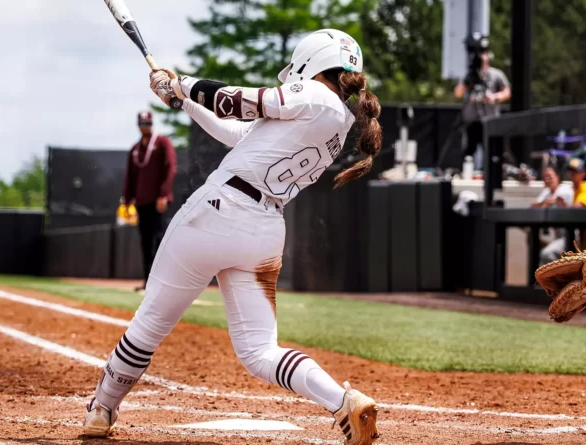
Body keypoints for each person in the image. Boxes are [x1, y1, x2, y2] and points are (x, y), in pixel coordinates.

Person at [84, 29, 382, 445]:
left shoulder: (313, 97)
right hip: (263, 233)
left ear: (311, 61)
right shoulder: (338, 122)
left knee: (151, 322)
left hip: (217, 212)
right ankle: (343, 401)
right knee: (261, 352)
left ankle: (102, 408)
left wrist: (182, 82)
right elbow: (240, 134)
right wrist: (181, 99)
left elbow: (242, 100)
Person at [122, 111, 177, 293]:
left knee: (159, 241)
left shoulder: (162, 143)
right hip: (142, 202)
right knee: (145, 243)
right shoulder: (135, 149)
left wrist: (164, 194)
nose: (144, 125)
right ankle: (148, 282)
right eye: (142, 123)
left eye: (147, 123)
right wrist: (127, 200)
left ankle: (163, 282)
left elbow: (170, 168)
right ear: (138, 125)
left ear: (152, 124)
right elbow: (130, 177)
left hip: (158, 202)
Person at [453, 50, 511, 170]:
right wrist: (467, 83)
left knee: (492, 151)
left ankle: (493, 175)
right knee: (468, 151)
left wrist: (494, 97)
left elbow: (507, 92)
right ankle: (465, 173)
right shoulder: (470, 75)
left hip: (490, 119)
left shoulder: (496, 74)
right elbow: (458, 93)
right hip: (472, 120)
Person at [539, 159, 586, 265]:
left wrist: (563, 206)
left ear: (583, 173)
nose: (571, 174)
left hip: (576, 237)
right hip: (575, 237)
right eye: (570, 171)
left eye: (575, 171)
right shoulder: (573, 189)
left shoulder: (584, 187)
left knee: (547, 254)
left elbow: (577, 208)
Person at [532, 167, 573, 265]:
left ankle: (550, 280)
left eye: (550, 177)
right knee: (534, 245)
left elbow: (562, 204)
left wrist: (552, 202)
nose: (547, 179)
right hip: (556, 236)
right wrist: (544, 203)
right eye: (545, 177)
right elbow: (533, 206)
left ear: (557, 177)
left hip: (571, 236)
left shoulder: (564, 190)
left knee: (547, 254)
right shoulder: (546, 192)